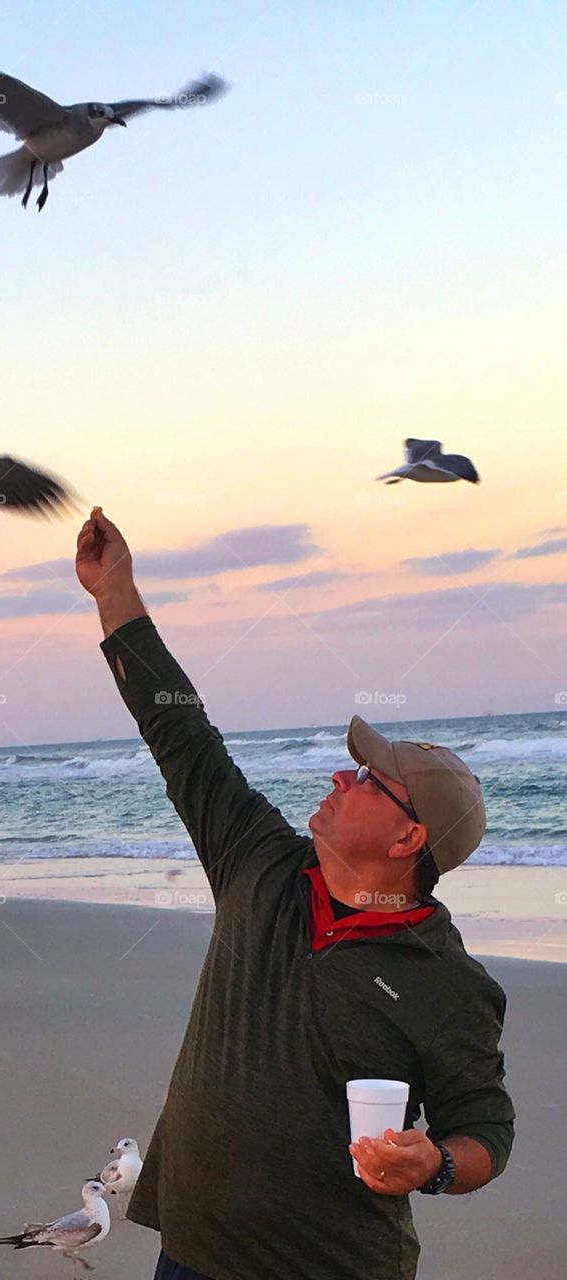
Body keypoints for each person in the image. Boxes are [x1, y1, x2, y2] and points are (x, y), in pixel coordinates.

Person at [74, 509, 515, 1280]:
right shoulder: (260, 863)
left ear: (409, 838)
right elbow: (182, 735)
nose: (342, 775)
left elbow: (485, 1128)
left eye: (369, 778)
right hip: (190, 1253)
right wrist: (114, 590)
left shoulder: (447, 981)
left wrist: (435, 1163)